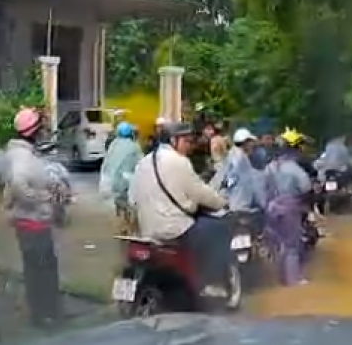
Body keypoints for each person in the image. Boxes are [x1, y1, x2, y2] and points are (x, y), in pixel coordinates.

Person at [129, 121, 231, 297]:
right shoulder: (179, 162)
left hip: (147, 230)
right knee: (217, 230)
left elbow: (132, 198)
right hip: (175, 229)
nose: (189, 146)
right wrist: (221, 202)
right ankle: (211, 283)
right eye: (186, 141)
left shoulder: (143, 163)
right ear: (173, 141)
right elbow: (200, 192)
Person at [3, 107, 72, 327]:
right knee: (42, 271)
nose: (43, 131)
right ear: (32, 131)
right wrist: (44, 198)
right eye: (40, 128)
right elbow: (18, 184)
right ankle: (46, 314)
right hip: (32, 223)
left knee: (38, 268)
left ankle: (44, 312)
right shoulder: (22, 157)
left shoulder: (24, 153)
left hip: (32, 221)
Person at [264, 128, 314, 286]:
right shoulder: (294, 169)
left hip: (271, 208)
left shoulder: (270, 167)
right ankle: (294, 281)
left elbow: (263, 187)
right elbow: (306, 187)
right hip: (289, 208)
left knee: (278, 245)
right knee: (292, 246)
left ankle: (279, 279)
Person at [210, 127, 267, 213]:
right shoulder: (240, 160)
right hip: (238, 208)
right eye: (250, 142)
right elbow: (233, 179)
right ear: (245, 142)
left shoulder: (233, 155)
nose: (253, 145)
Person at [99, 121, 142, 234]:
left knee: (119, 203)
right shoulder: (134, 146)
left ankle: (122, 225)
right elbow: (141, 163)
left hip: (110, 182)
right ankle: (129, 226)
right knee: (130, 204)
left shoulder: (113, 144)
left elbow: (106, 163)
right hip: (125, 181)